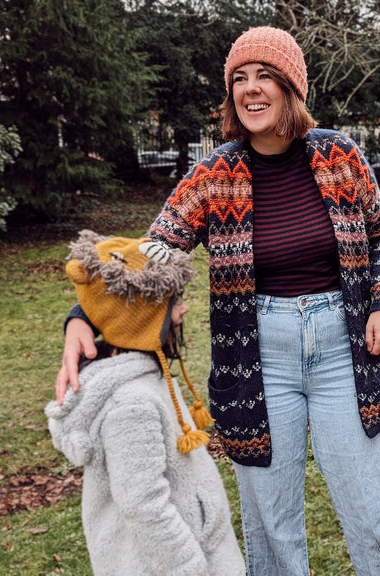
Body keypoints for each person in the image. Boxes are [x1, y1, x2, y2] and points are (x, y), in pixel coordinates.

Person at [55, 27, 380, 575]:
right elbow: (151, 255)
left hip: (344, 350)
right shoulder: (213, 175)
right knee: (272, 530)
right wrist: (82, 314)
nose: (251, 89)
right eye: (239, 79)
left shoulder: (339, 154)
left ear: (291, 87)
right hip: (257, 359)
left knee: (378, 515)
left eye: (265, 77)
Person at [45, 230, 245, 576]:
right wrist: (188, 567)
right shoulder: (132, 405)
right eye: (173, 301)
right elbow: (143, 504)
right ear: (143, 319)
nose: (183, 309)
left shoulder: (148, 378)